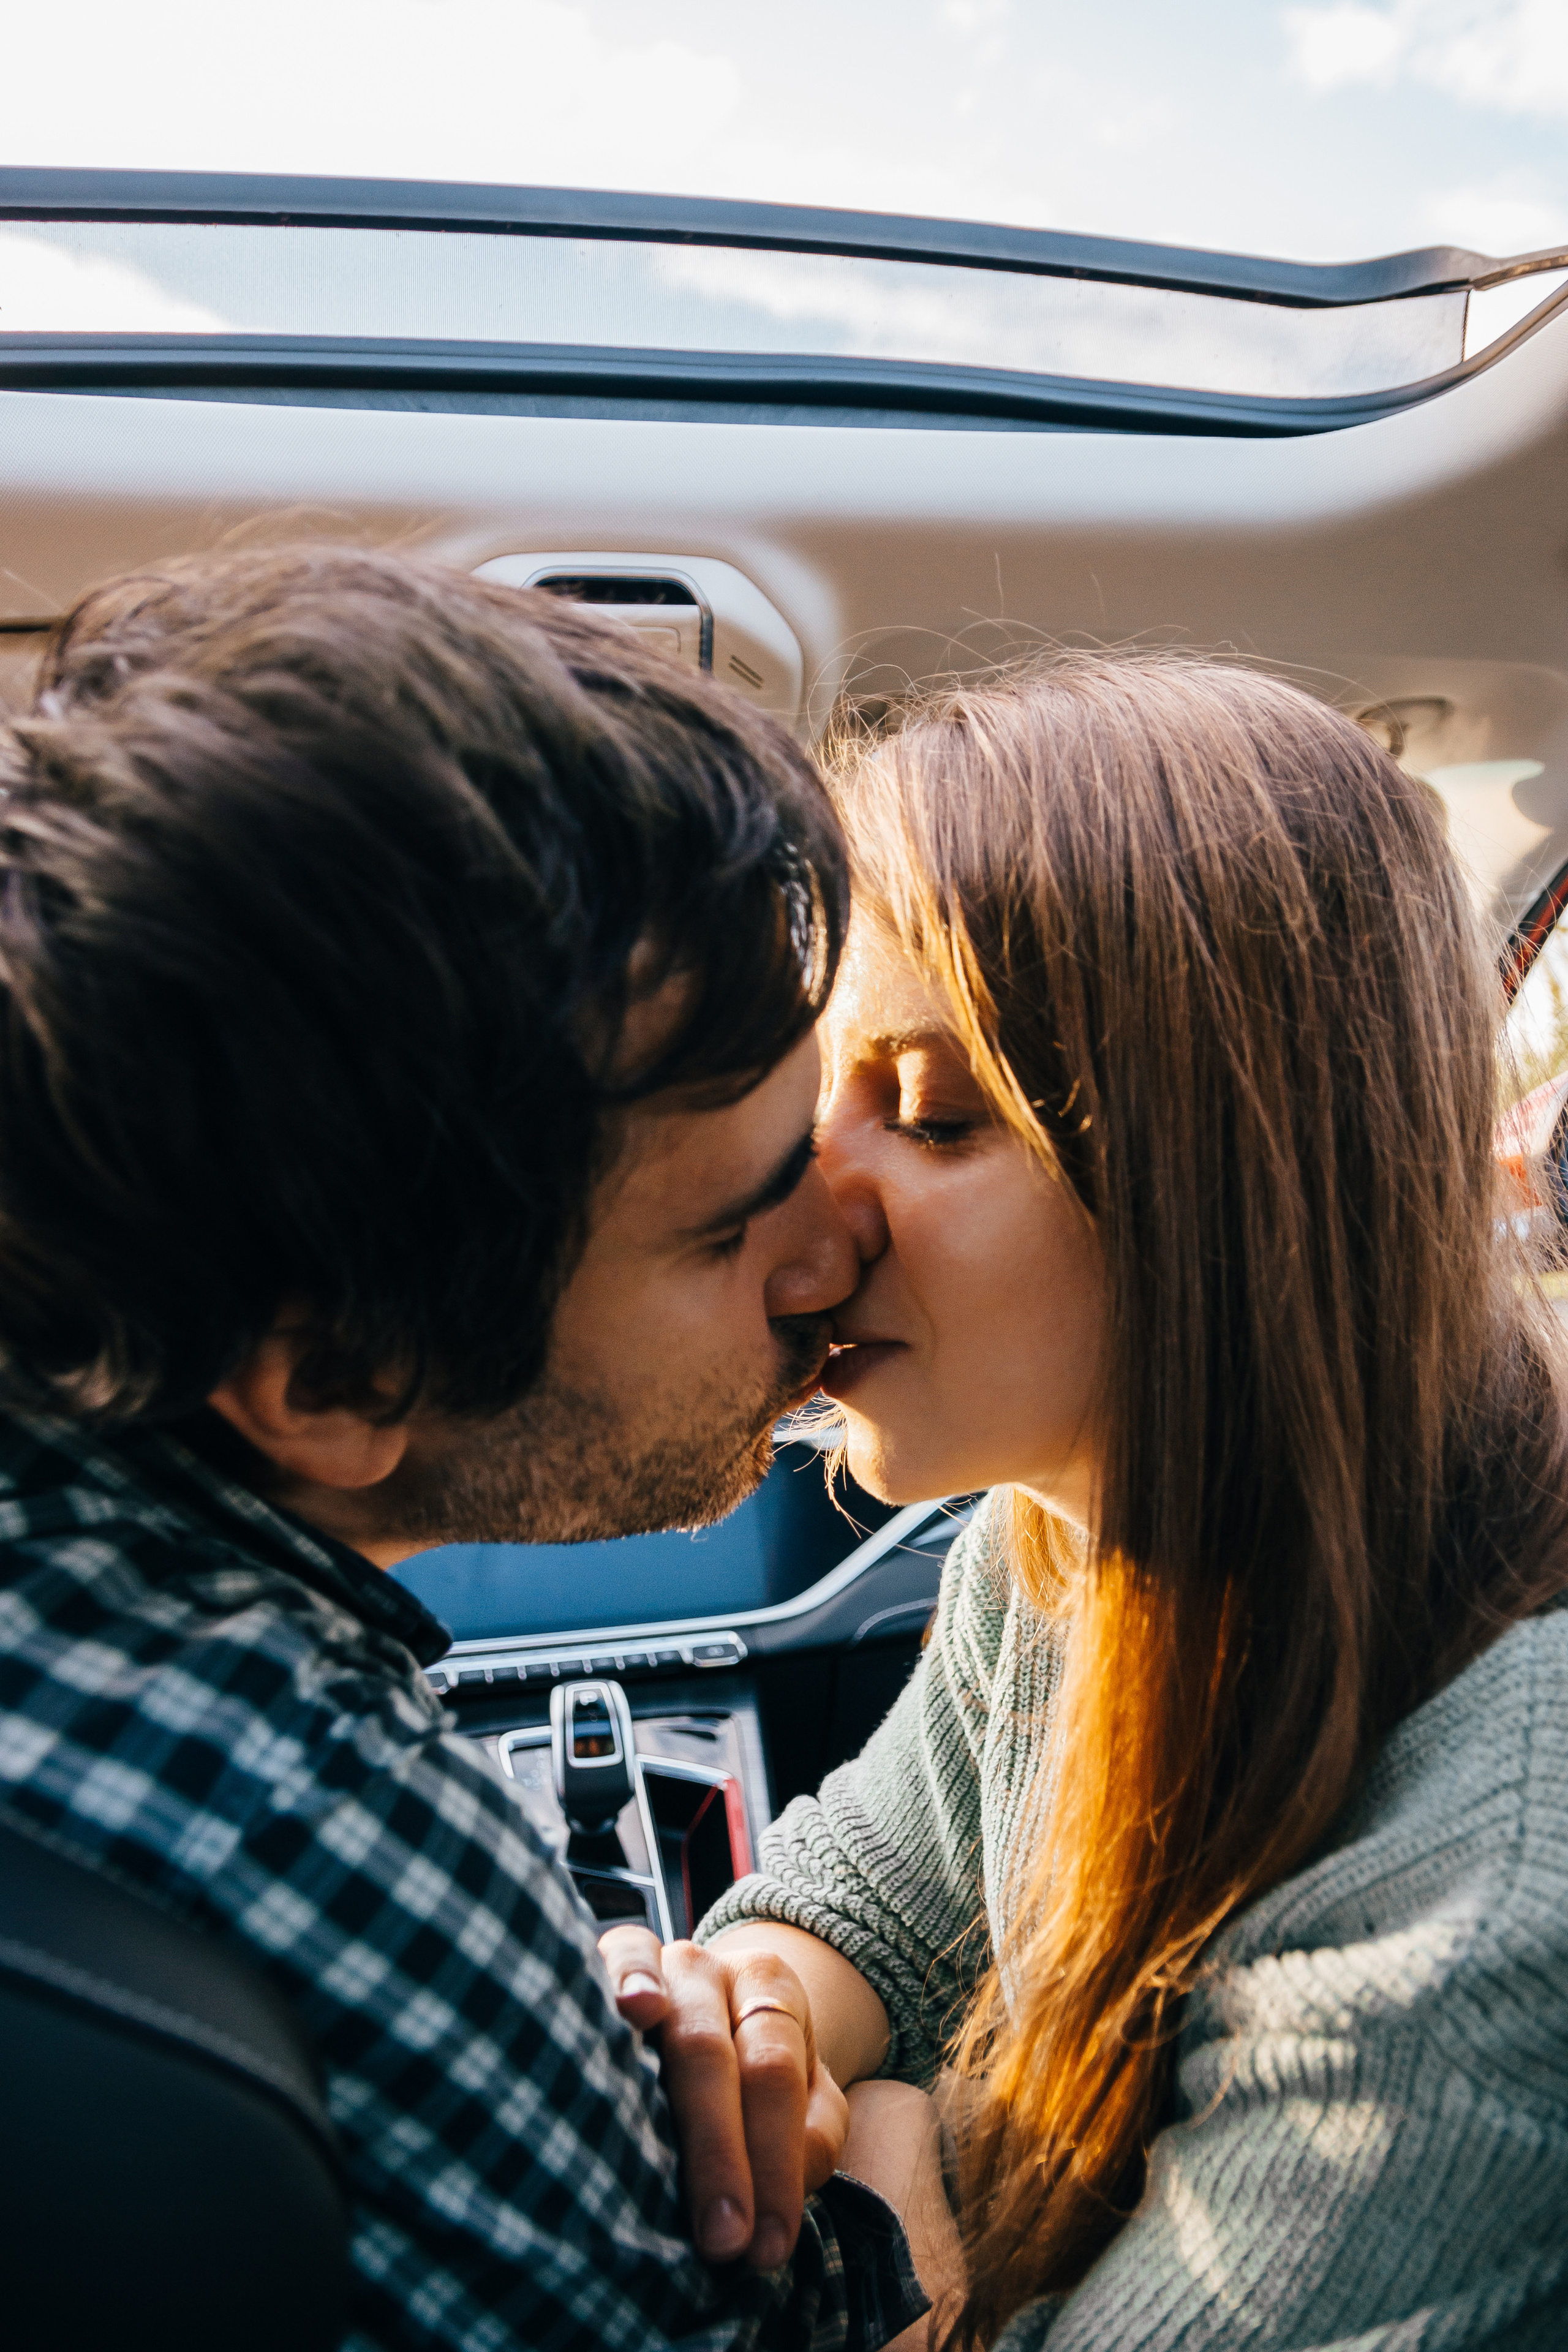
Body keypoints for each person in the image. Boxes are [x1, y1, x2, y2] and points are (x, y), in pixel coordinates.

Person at [0, 546, 930, 2352]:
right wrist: (894, 2155)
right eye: (731, 1226)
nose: (830, 1254)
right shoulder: (319, 1817)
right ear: (339, 1378)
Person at [606, 655, 1568, 2348]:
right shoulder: (1058, 1537)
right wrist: (759, 2020)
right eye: (827, 1091)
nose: (807, 1222)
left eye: (931, 1112)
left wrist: (890, 2193)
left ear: (1225, 1184)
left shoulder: (1494, 1874)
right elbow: (865, 1901)